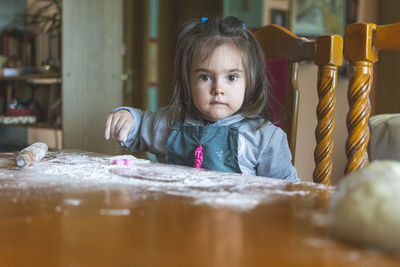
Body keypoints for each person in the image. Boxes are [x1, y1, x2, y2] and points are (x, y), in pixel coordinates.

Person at [104, 16, 299, 181]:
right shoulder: (170, 123)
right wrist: (127, 117)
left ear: (250, 80)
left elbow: (287, 192)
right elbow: (139, 127)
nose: (218, 89)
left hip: (237, 224)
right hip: (175, 220)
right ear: (188, 80)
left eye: (231, 77)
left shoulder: (265, 138)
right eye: (205, 77)